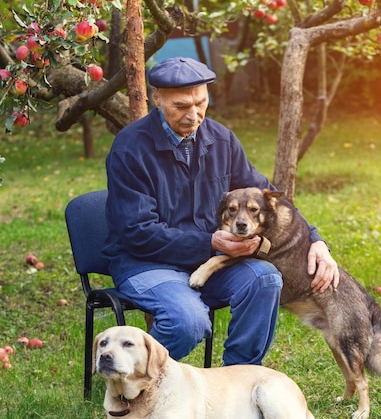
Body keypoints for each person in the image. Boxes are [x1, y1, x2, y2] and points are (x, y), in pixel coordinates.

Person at [103, 57, 339, 366]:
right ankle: (128, 384)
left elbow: (267, 197)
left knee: (265, 280)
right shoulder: (130, 149)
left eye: (201, 103)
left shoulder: (222, 140)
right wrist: (211, 244)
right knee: (188, 321)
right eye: (181, 106)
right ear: (157, 98)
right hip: (146, 262)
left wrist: (315, 240)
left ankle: (237, 380)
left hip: (209, 262)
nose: (194, 115)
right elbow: (137, 231)